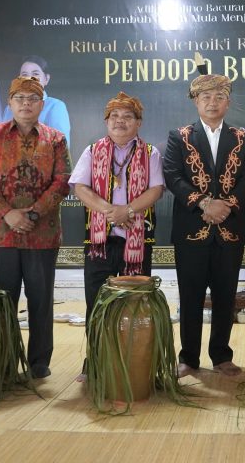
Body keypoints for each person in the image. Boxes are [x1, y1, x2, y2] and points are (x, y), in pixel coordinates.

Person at [0, 76, 71, 380]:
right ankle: (3, 360)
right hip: (1, 234)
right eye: (19, 98)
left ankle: (39, 362)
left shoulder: (55, 138)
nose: (26, 103)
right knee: (3, 300)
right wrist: (9, 213)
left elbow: (62, 181)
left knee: (41, 300)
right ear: (10, 102)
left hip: (42, 232)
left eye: (32, 98)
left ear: (42, 104)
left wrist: (34, 212)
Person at [162, 73, 245, 378]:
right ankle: (188, 357)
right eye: (206, 97)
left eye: (219, 97)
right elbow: (172, 177)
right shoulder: (180, 136)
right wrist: (204, 203)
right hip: (192, 228)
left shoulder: (242, 138)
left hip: (230, 230)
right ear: (195, 101)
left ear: (228, 102)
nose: (212, 102)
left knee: (225, 295)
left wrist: (226, 207)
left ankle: (221, 356)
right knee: (190, 296)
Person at [71, 92, 164, 381]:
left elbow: (156, 189)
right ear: (106, 122)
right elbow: (80, 187)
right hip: (100, 241)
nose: (120, 122)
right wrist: (112, 210)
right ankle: (95, 360)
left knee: (135, 303)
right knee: (97, 302)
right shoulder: (92, 150)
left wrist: (130, 210)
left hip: (137, 242)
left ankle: (136, 362)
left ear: (139, 123)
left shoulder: (150, 154)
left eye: (127, 117)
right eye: (114, 117)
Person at [2, 56, 71, 145]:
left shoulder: (55, 106)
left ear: (46, 79)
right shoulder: (9, 108)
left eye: (35, 74)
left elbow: (61, 148)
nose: (30, 79)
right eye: (24, 75)